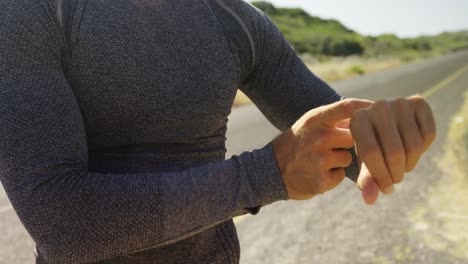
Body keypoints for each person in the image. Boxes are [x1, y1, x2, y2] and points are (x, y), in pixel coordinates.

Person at [0, 0, 435, 263]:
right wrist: (263, 175)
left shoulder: (236, 22)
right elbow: (61, 222)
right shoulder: (31, 12)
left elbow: (343, 141)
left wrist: (388, 137)